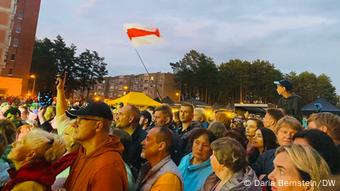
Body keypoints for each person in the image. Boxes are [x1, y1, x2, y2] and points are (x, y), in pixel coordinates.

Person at [64, 101, 128, 191]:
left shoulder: (108, 167)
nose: (74, 124)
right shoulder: (83, 152)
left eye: (80, 120)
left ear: (98, 126)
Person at [252, 116, 302, 184]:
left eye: (292, 133)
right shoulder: (266, 156)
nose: (288, 136)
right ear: (276, 134)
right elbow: (252, 178)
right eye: (284, 132)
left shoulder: (302, 158)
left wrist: (264, 178)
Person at [136, 126, 183, 191]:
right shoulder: (149, 166)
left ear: (161, 146)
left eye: (147, 139)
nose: (142, 142)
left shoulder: (168, 179)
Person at [116, 104, 146, 178]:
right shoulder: (116, 135)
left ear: (130, 119)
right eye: (117, 114)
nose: (116, 118)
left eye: (120, 114)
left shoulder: (144, 139)